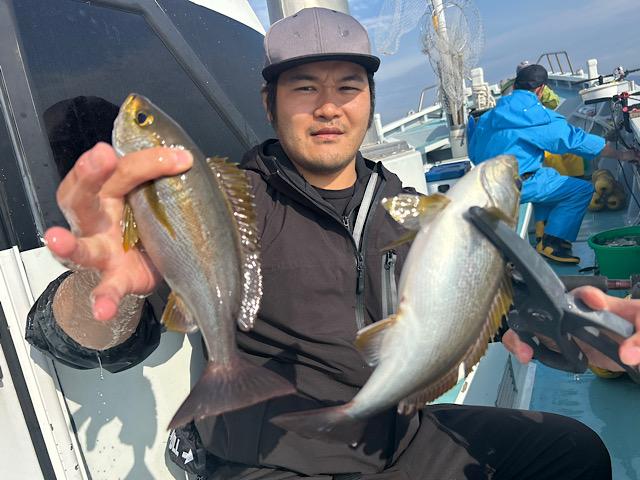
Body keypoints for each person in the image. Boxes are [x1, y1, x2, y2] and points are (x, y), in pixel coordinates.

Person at [25, 8, 638, 479]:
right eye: (303, 88)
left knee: (574, 451)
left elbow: (481, 298)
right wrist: (100, 282)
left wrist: (581, 324)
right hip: (274, 457)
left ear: (369, 102)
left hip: (395, 434)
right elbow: (78, 341)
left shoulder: (402, 203)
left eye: (347, 87)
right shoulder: (230, 202)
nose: (327, 107)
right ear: (268, 104)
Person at [469, 63, 640, 264]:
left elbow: (473, 152)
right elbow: (575, 141)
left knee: (547, 178)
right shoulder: (537, 116)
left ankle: (541, 235)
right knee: (581, 190)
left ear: (514, 86)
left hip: (485, 183)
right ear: (541, 89)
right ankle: (554, 243)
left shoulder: (489, 115)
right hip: (515, 186)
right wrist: (623, 155)